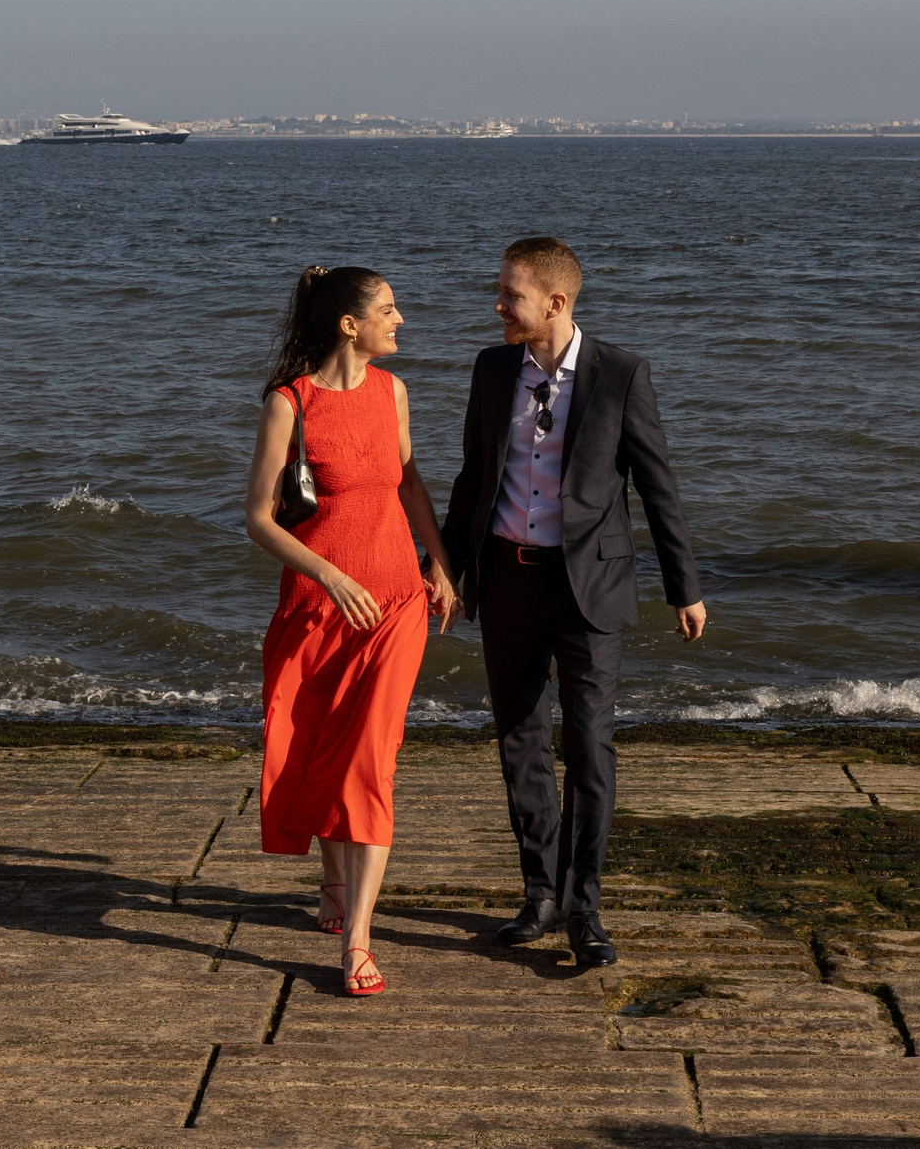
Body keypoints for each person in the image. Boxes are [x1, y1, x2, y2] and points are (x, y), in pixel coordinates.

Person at [442, 236, 702, 969]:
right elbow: (472, 476)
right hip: (507, 579)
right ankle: (540, 893)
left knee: (589, 745)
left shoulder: (620, 374)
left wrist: (686, 587)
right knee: (520, 740)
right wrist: (454, 572)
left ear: (554, 302)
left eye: (510, 295)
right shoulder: (493, 369)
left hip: (589, 586)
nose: (497, 306)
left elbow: (658, 486)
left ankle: (585, 905)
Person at [245, 265, 460, 998]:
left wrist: (439, 562)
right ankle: (333, 879)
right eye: (389, 310)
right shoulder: (289, 403)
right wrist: (331, 577)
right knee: (320, 750)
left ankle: (358, 941)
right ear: (349, 323)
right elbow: (260, 520)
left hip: (396, 601)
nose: (400, 320)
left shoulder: (393, 393)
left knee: (371, 759)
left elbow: (407, 480)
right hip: (320, 605)